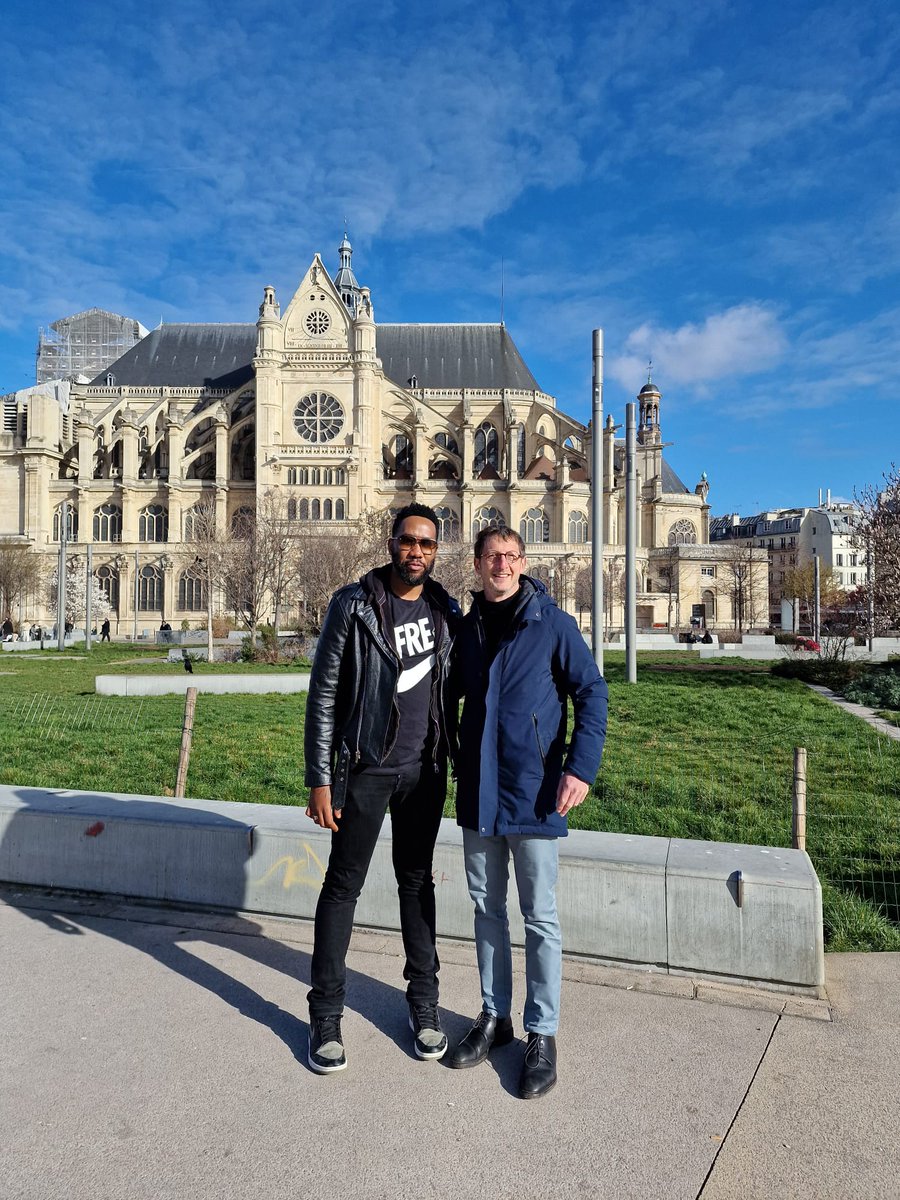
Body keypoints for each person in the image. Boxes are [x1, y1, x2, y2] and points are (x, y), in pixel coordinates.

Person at [449, 526, 608, 1099]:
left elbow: (592, 691)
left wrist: (580, 769)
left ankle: (542, 1032)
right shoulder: (465, 628)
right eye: (493, 556)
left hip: (535, 790)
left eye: (512, 556)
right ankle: (495, 1018)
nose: (503, 565)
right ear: (476, 563)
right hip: (479, 795)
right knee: (486, 909)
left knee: (539, 917)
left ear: (522, 562)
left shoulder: (551, 623)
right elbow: (452, 699)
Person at [303, 503, 461, 1074]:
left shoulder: (446, 608)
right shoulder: (354, 605)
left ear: (435, 551)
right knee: (342, 886)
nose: (416, 550)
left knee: (417, 885)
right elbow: (323, 696)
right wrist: (320, 778)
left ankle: (424, 1006)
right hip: (366, 766)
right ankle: (325, 1015)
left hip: (424, 770)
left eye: (426, 543)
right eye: (407, 540)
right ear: (391, 542)